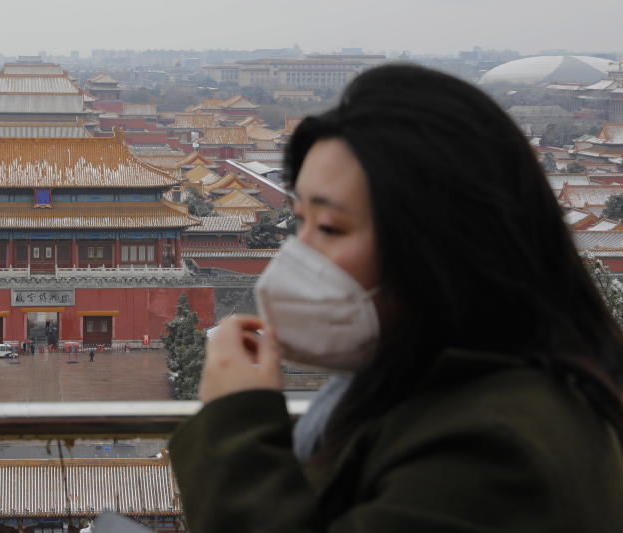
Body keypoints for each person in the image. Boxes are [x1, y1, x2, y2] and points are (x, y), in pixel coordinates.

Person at [168, 64, 623, 532]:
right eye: (299, 221)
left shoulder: (495, 449)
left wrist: (235, 422)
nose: (298, 254)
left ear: (442, 242)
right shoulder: (398, 389)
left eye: (330, 228)